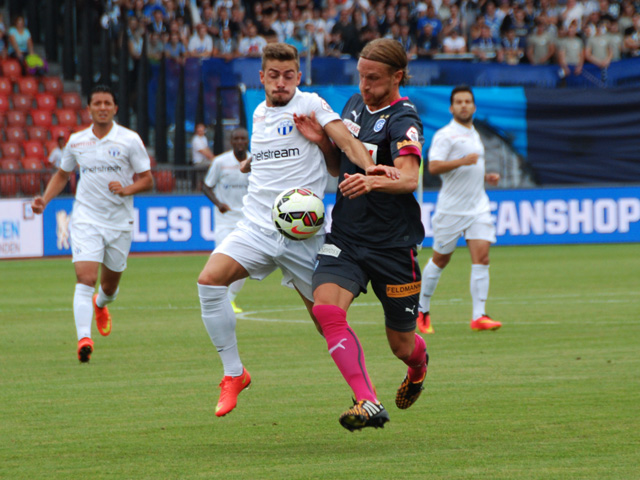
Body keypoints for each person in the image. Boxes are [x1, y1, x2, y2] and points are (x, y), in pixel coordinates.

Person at [196, 43, 392, 418]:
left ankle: (367, 398)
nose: (281, 82)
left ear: (298, 77)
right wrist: (253, 162)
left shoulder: (311, 104)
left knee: (326, 321)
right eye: (274, 75)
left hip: (304, 235)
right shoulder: (258, 113)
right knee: (209, 281)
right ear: (262, 77)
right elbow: (276, 152)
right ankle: (234, 373)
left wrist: (369, 167)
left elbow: (345, 141)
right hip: (256, 226)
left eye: (289, 76)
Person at [295, 38, 428, 431]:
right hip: (346, 238)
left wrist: (372, 182)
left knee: (402, 346)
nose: (364, 86)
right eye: (361, 76)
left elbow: (409, 179)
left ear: (397, 77)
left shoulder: (404, 120)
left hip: (393, 246)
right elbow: (339, 169)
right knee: (325, 309)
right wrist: (323, 144)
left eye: (374, 79)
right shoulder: (354, 105)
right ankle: (367, 400)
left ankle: (418, 368)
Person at [30, 85, 154, 363]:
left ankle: (100, 304)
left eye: (107, 103)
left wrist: (126, 189)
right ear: (88, 109)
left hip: (119, 222)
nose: (102, 107)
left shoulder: (129, 140)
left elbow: (148, 180)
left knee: (108, 288)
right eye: (97, 103)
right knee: (85, 278)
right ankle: (84, 339)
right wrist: (44, 200)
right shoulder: (76, 141)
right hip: (86, 218)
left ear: (115, 108)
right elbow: (62, 175)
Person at [416, 85, 502, 335]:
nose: (464, 105)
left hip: (478, 206)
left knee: (482, 258)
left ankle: (479, 316)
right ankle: (422, 310)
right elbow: (434, 167)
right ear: (451, 108)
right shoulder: (446, 135)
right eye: (459, 102)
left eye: (467, 101)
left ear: (474, 106)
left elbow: (470, 168)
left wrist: (485, 176)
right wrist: (463, 161)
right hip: (451, 209)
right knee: (440, 259)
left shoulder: (474, 133)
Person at [202, 128, 251, 314]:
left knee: (244, 262)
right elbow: (206, 186)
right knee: (223, 260)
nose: (239, 142)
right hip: (224, 221)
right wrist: (218, 203)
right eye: (236, 139)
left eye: (242, 139)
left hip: (247, 220)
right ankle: (219, 298)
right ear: (231, 142)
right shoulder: (220, 162)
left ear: (247, 141)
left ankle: (230, 300)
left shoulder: (255, 161)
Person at [191, 123, 215, 189]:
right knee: (214, 165)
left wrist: (214, 158)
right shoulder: (195, 140)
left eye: (202, 130)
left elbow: (207, 149)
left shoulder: (204, 138)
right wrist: (214, 160)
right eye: (199, 130)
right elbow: (203, 152)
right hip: (198, 162)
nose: (201, 132)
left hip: (205, 161)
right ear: (196, 131)